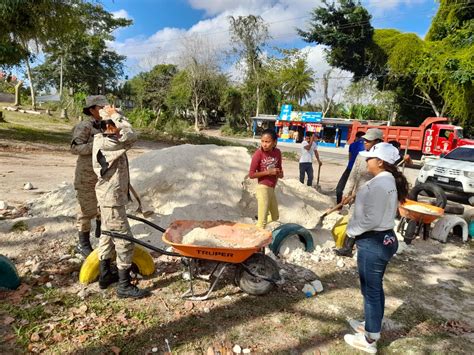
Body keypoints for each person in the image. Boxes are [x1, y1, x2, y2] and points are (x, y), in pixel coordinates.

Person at [343, 142, 409, 354]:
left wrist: (351, 231)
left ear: (380, 162)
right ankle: (372, 324)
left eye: (369, 158)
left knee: (371, 290)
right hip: (381, 238)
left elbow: (371, 219)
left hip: (374, 240)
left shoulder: (380, 184)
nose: (366, 160)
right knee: (372, 288)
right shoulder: (384, 180)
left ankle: (370, 339)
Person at [92, 107, 149, 298]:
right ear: (107, 128)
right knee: (124, 241)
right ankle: (124, 286)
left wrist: (112, 117)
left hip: (109, 198)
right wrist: (115, 116)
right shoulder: (107, 142)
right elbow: (130, 135)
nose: (115, 128)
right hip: (111, 200)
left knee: (107, 236)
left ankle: (105, 275)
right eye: (112, 125)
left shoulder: (106, 140)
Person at [335, 128, 384, 257]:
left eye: (369, 140)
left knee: (369, 222)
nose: (365, 142)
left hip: (373, 196)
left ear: (377, 141)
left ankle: (367, 247)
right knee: (353, 219)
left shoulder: (382, 159)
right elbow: (353, 175)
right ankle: (347, 247)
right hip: (357, 196)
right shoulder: (361, 155)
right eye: (365, 140)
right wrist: (347, 192)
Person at [71, 95, 109, 256]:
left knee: (103, 207)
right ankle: (83, 244)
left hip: (103, 173)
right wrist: (98, 143)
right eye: (101, 107)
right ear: (92, 109)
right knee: (85, 210)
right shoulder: (84, 126)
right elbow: (75, 148)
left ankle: (102, 236)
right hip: (86, 175)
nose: (105, 110)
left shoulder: (107, 125)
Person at [249, 129, 284, 229]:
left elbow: (280, 171)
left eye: (267, 142)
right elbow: (251, 175)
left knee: (275, 216)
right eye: (263, 141)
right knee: (262, 223)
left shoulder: (277, 153)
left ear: (274, 142)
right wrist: (268, 172)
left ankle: (259, 223)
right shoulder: (258, 154)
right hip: (262, 188)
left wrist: (279, 173)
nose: (264, 144)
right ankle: (257, 242)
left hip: (272, 188)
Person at [335, 131, 365, 204]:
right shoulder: (367, 147)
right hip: (361, 171)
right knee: (357, 190)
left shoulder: (352, 145)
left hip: (350, 168)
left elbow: (350, 157)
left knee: (340, 188)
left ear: (356, 137)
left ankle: (339, 205)